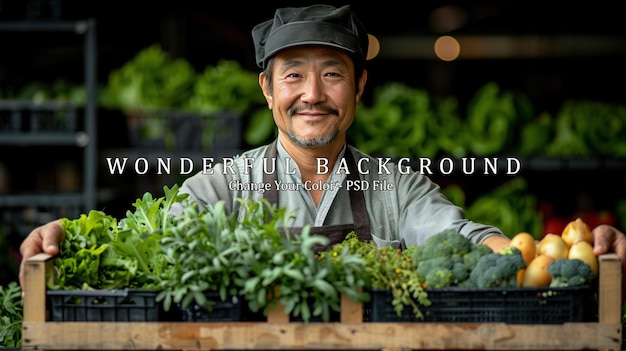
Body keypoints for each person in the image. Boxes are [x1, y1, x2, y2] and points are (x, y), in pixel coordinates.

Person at [19, 5, 626, 293]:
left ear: (359, 87)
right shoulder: (218, 188)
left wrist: (561, 255)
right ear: (266, 90)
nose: (313, 95)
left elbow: (461, 236)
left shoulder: (397, 186)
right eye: (292, 76)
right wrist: (66, 239)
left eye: (333, 74)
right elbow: (145, 249)